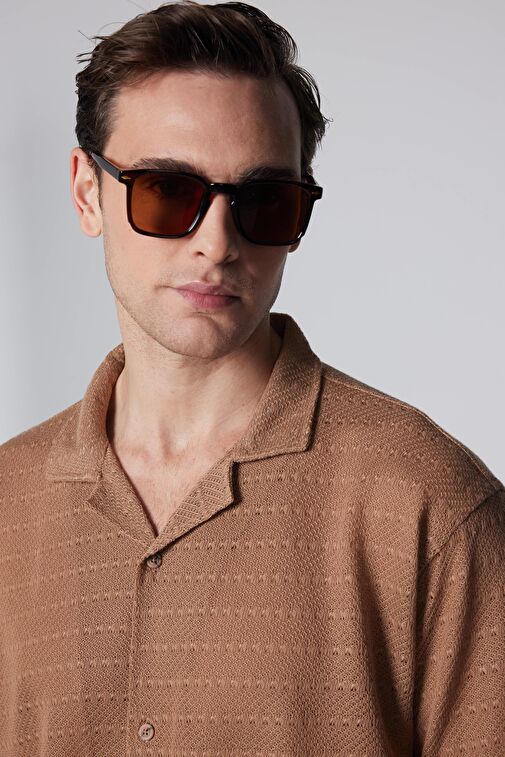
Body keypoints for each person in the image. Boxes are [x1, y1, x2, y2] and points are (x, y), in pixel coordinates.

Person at [1, 1, 504, 755]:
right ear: (86, 193)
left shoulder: (430, 503)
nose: (217, 242)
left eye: (263, 201)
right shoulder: (7, 503)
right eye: (168, 190)